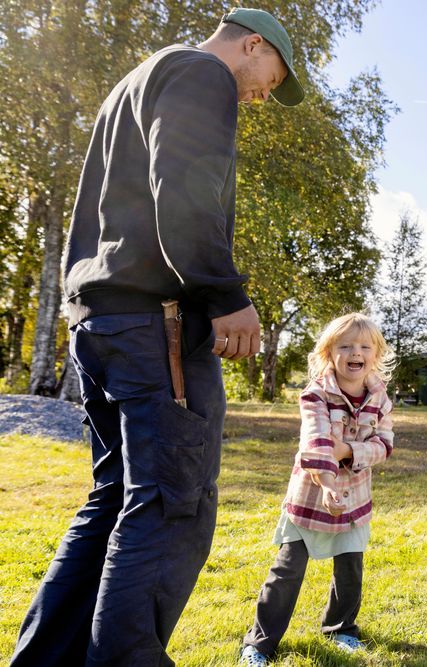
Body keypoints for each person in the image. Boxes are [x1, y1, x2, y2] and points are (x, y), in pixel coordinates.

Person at [10, 8, 304, 666]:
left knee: (114, 498)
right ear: (251, 45)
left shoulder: (136, 81)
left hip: (100, 321)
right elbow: (184, 192)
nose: (259, 96)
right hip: (158, 323)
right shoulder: (204, 76)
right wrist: (223, 292)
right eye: (268, 79)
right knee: (173, 505)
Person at [239, 313, 395, 666]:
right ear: (329, 353)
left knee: (350, 568)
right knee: (288, 569)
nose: (355, 352)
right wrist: (327, 482)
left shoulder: (380, 400)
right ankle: (259, 644)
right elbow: (315, 441)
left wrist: (351, 452)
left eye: (364, 347)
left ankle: (341, 628)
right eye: (345, 346)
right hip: (311, 496)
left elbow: (384, 445)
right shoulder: (316, 395)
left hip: (354, 497)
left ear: (375, 354)